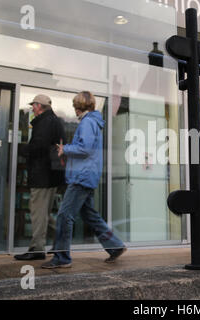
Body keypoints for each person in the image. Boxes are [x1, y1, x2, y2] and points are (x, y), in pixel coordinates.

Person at [42, 91, 126, 269]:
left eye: (75, 107)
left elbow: (84, 149)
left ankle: (62, 258)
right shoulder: (93, 121)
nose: (74, 111)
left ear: (80, 106)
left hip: (82, 176)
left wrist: (65, 149)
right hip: (87, 175)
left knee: (65, 215)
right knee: (90, 215)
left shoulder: (87, 122)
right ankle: (115, 246)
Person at [14, 94, 66, 261]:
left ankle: (37, 249)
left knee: (38, 213)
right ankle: (63, 241)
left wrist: (20, 150)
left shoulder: (44, 122)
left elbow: (39, 146)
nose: (32, 109)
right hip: (51, 175)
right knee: (44, 214)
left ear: (40, 106)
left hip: (42, 175)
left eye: (34, 106)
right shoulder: (54, 121)